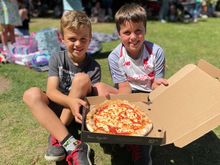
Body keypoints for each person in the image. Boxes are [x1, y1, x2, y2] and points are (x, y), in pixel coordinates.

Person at [23, 10, 118, 164]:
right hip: (59, 107)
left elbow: (89, 102)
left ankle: (57, 134)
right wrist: (69, 101)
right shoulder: (57, 58)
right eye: (72, 39)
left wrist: (74, 102)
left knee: (81, 79)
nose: (78, 44)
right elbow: (52, 91)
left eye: (83, 39)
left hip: (78, 114)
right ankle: (74, 145)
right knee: (30, 94)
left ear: (90, 39)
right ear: (62, 38)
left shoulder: (94, 66)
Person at [108, 3, 168, 165]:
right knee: (103, 91)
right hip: (128, 92)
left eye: (138, 31)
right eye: (127, 32)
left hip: (150, 95)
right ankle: (122, 139)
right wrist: (130, 107)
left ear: (145, 30)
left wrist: (158, 86)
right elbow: (123, 87)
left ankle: (142, 148)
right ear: (119, 34)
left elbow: (156, 84)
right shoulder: (114, 57)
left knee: (148, 123)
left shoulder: (156, 52)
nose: (133, 37)